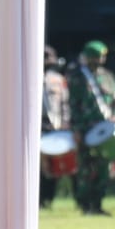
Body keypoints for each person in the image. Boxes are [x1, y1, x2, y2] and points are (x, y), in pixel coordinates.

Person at [68, 39, 115, 215]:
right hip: (86, 129)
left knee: (103, 167)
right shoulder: (78, 77)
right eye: (98, 57)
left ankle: (98, 203)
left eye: (102, 57)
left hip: (106, 129)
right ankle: (85, 205)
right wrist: (76, 129)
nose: (101, 60)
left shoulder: (107, 76)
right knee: (86, 168)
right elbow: (73, 105)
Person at [39, 44, 70, 208]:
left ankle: (49, 198)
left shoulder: (58, 80)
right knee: (38, 165)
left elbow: (65, 103)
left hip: (55, 125)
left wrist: (65, 122)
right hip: (37, 127)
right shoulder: (26, 78)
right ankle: (38, 200)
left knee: (53, 165)